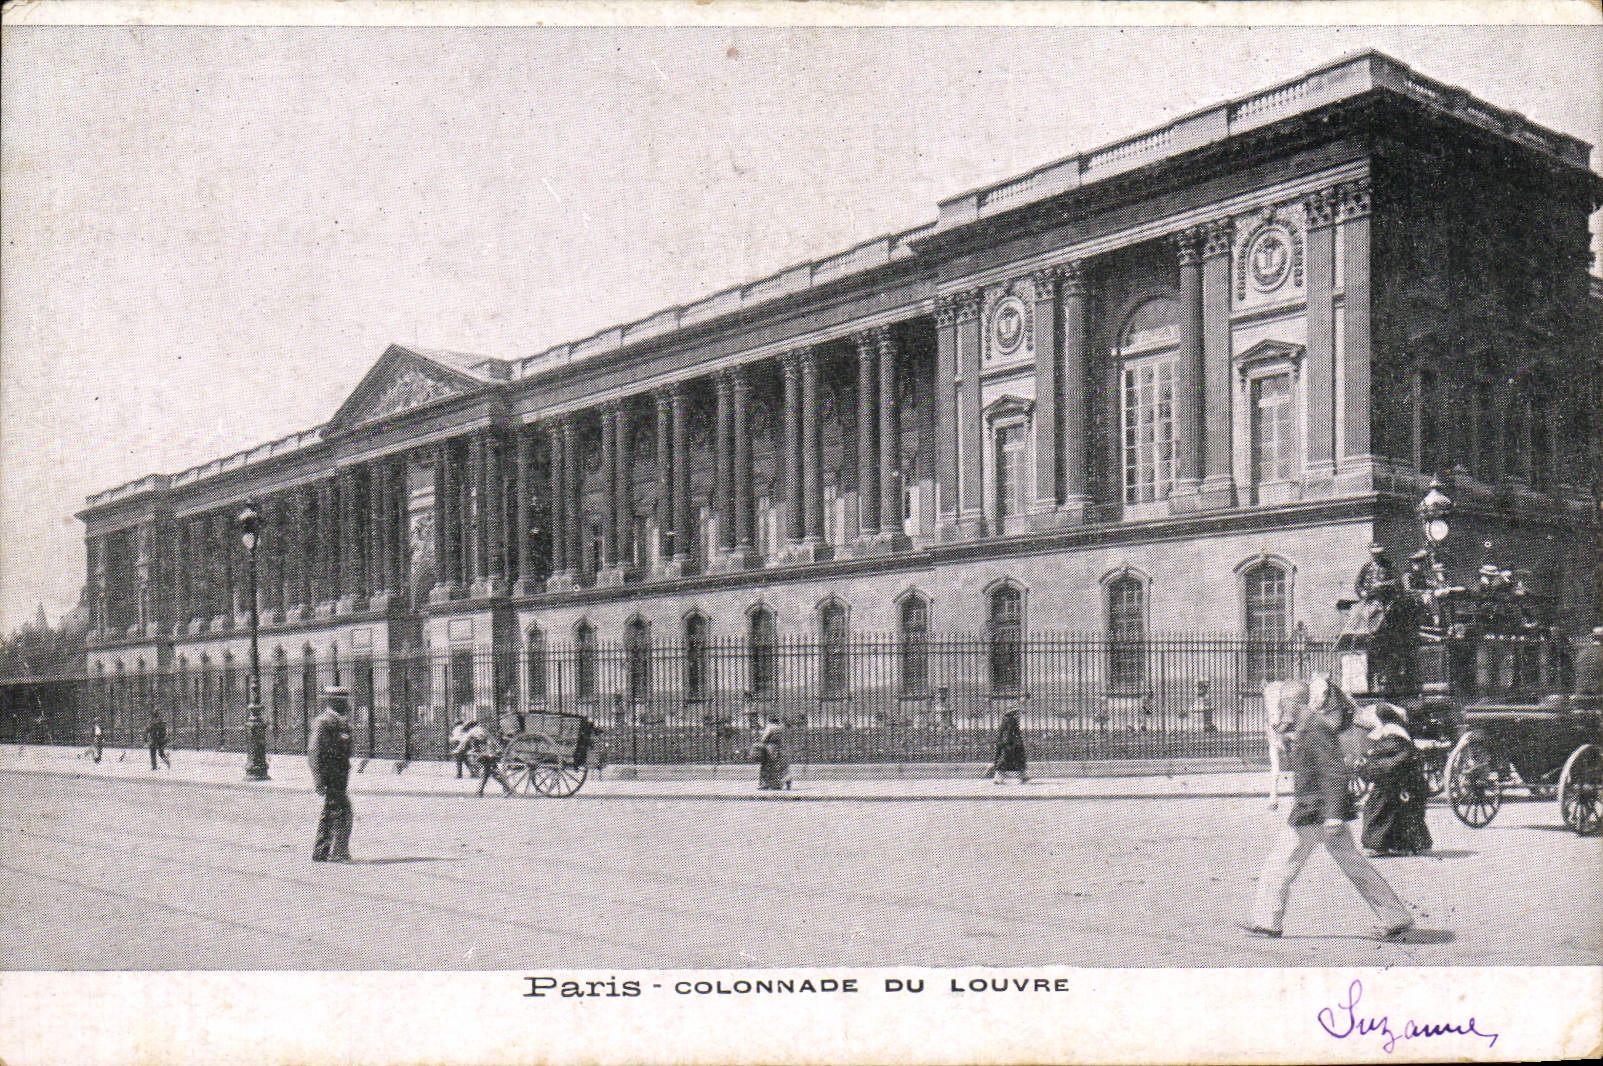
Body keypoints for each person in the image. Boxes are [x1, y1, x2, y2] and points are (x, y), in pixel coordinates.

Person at [1243, 677, 1414, 941]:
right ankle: (1396, 917)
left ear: (1294, 702)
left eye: (1283, 703)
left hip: (1316, 814)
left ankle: (1267, 922)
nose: (1279, 708)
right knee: (1355, 866)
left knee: (1279, 866)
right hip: (1319, 812)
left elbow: (1333, 773)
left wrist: (1334, 815)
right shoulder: (1306, 726)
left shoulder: (1314, 727)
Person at [1359, 704, 1433, 857]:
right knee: (1402, 813)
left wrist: (1365, 769)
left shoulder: (1393, 738)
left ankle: (1378, 845)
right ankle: (1405, 845)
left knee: (1381, 809)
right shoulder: (1399, 736)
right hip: (1406, 785)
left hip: (1397, 786)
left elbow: (1387, 765)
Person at [308, 686, 354, 863]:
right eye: (342, 701)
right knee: (342, 812)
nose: (346, 705)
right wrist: (318, 780)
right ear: (333, 702)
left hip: (340, 776)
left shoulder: (341, 722)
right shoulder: (323, 722)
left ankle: (322, 851)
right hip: (330, 775)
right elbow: (314, 751)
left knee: (332, 811)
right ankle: (337, 852)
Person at [455, 720, 513, 797]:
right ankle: (480, 792)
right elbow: (491, 739)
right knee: (486, 771)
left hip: (487, 753)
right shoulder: (482, 729)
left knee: (491, 771)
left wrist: (457, 750)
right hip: (490, 751)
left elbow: (464, 743)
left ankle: (507, 789)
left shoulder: (472, 732)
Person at [989, 707, 1028, 784]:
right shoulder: (1011, 721)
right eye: (1016, 713)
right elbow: (1008, 733)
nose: (1018, 714)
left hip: (1009, 744)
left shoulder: (1007, 720)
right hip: (1010, 744)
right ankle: (999, 778)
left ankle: (1022, 777)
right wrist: (1009, 744)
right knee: (1007, 761)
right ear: (1012, 713)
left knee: (1012, 761)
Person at [754, 715, 790, 791]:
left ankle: (765, 784)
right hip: (779, 747)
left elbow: (764, 739)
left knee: (766, 766)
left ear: (769, 720)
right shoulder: (781, 728)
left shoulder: (770, 727)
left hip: (770, 747)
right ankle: (781, 782)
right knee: (778, 766)